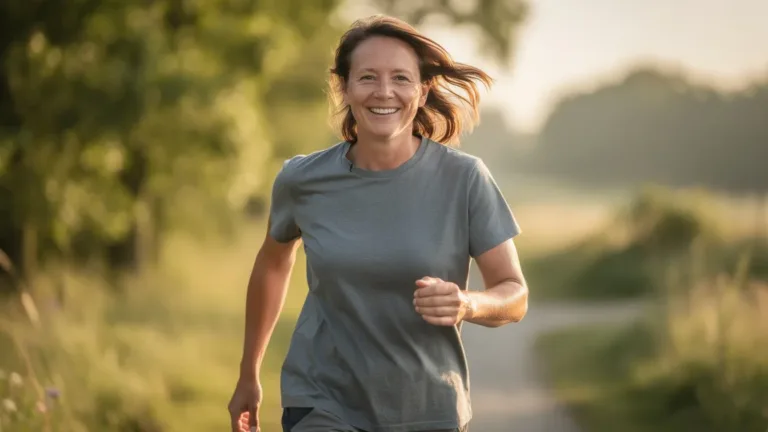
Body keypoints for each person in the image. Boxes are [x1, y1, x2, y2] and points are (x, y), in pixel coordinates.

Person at [228, 14, 529, 432]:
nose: (384, 92)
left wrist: (466, 302)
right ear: (345, 88)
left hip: (428, 407)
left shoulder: (464, 179)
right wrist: (249, 374)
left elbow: (514, 294)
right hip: (321, 399)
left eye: (401, 79)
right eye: (367, 77)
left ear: (422, 91)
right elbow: (274, 263)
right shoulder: (302, 180)